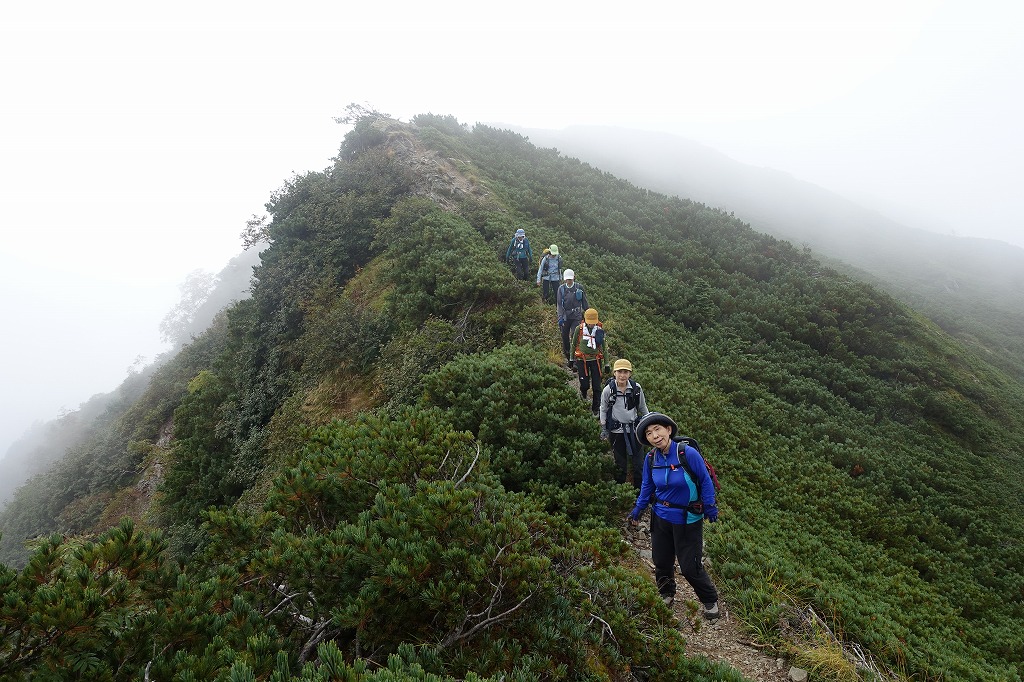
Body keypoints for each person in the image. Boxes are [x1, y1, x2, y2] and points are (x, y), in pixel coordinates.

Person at [628, 412, 720, 619]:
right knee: (661, 561)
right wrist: (638, 508)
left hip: (687, 518)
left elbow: (705, 480)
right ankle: (666, 593)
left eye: (658, 429)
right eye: (649, 433)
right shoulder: (651, 459)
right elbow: (647, 486)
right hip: (660, 516)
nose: (655, 436)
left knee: (690, 567)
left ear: (668, 430)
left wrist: (710, 505)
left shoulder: (686, 453)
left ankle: (709, 600)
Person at [599, 359, 649, 487]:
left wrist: (649, 423)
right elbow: (603, 409)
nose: (622, 375)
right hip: (616, 431)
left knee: (639, 464)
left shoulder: (636, 388)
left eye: (625, 372)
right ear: (614, 373)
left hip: (634, 430)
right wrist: (604, 428)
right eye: (619, 371)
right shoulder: (608, 390)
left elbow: (642, 408)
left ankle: (639, 491)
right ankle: (621, 491)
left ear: (630, 373)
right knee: (620, 464)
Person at [571, 308, 607, 416]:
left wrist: (607, 363)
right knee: (585, 384)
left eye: (593, 322)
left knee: (597, 386)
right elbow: (573, 344)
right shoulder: (579, 329)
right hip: (582, 360)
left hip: (596, 360)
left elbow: (604, 348)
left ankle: (596, 408)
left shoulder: (599, 330)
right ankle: (583, 395)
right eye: (590, 322)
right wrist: (571, 359)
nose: (592, 324)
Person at [556, 269, 588, 367]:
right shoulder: (561, 289)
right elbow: (559, 304)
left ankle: (575, 359)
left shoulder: (579, 288)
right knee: (564, 336)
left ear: (574, 278)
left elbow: (585, 302)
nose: (569, 281)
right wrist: (560, 317)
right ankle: (568, 356)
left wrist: (588, 315)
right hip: (565, 316)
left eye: (570, 279)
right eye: (567, 279)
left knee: (575, 335)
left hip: (576, 316)